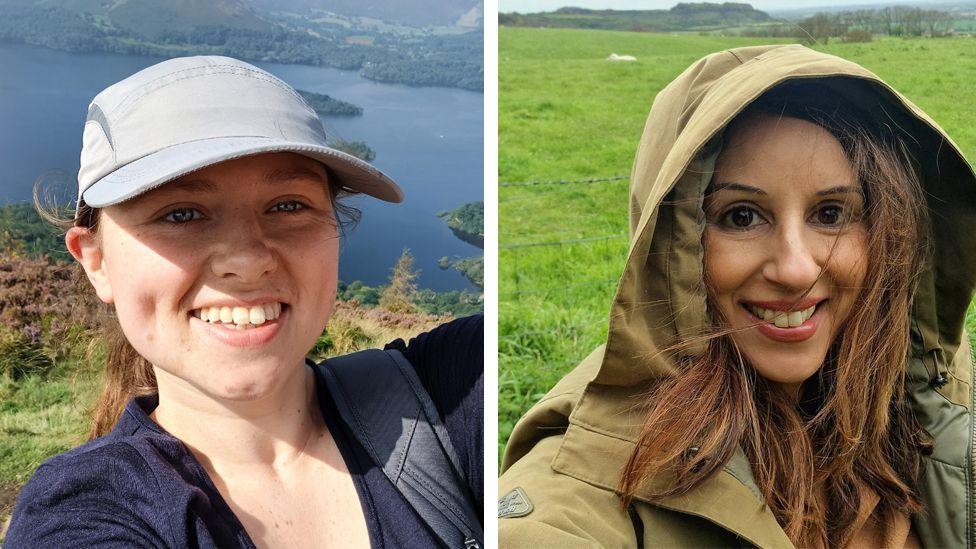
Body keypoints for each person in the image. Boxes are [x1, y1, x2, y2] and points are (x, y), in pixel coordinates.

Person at [498, 44, 976, 547]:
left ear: (889, 231)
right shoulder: (581, 495)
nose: (795, 269)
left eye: (831, 214)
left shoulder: (931, 394)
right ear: (674, 247)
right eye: (741, 216)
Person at [6, 56, 483, 548]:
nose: (249, 259)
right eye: (181, 213)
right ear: (96, 261)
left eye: (288, 205)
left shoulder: (451, 392)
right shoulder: (82, 515)